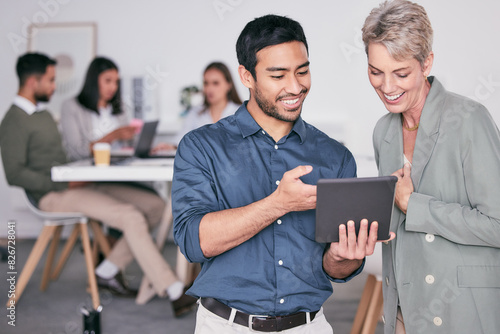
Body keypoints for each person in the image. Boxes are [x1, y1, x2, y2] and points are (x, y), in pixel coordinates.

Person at [173, 14, 390, 333]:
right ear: (246, 76)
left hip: (307, 326)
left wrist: (345, 257)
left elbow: (335, 268)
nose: (295, 86)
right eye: (278, 75)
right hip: (224, 326)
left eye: (302, 71)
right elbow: (193, 241)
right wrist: (278, 203)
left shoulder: (334, 157)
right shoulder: (201, 146)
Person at [0, 52, 197, 317]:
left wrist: (74, 177)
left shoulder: (43, 116)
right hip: (50, 193)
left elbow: (64, 158)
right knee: (130, 216)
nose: (53, 86)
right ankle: (173, 289)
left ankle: (106, 272)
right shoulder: (13, 121)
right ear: (33, 82)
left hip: (77, 183)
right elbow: (14, 174)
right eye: (50, 80)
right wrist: (62, 182)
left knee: (155, 206)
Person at [362, 1, 500, 333]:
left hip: (462, 311)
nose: (387, 86)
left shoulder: (469, 119)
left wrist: (416, 205)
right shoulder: (383, 131)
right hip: (404, 313)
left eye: (401, 73)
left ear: (427, 63)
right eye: (375, 71)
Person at [60, 56, 136, 161]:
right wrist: (112, 136)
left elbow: (130, 146)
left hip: (121, 166)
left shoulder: (119, 106)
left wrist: (150, 147)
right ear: (94, 80)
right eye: (108, 81)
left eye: (116, 82)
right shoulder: (71, 106)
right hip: (89, 170)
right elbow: (76, 152)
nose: (113, 87)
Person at [174, 61, 242, 145]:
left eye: (215, 83)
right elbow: (180, 141)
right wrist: (169, 147)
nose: (209, 89)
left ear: (228, 85)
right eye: (206, 83)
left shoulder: (241, 113)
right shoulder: (195, 112)